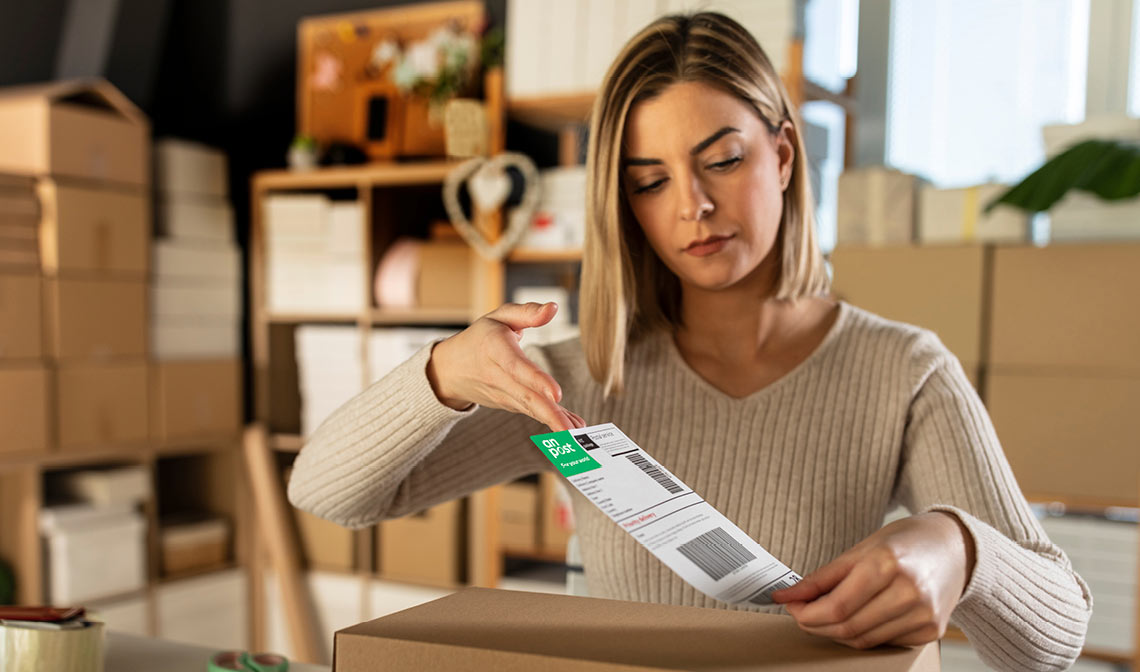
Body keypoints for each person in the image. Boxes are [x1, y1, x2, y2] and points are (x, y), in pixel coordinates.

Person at [289, 12, 1091, 671]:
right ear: (623, 202)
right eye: (650, 181)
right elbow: (326, 494)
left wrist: (962, 551)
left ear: (781, 156)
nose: (693, 206)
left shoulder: (904, 372)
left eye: (723, 160)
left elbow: (1056, 642)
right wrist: (439, 375)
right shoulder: (575, 382)